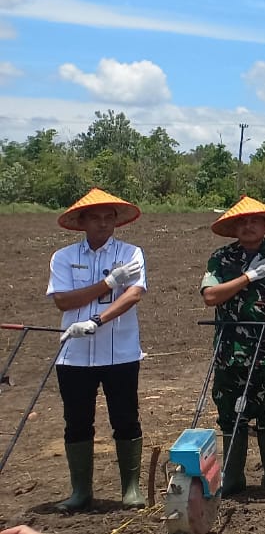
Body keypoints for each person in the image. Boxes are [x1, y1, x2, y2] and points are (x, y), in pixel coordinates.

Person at [45, 188, 148, 510]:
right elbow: (63, 299)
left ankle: (130, 488)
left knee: (126, 418)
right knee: (77, 420)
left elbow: (132, 296)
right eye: (95, 218)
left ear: (116, 221)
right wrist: (107, 284)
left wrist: (97, 319)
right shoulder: (64, 257)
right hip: (73, 353)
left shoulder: (131, 253)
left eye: (108, 218)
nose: (103, 224)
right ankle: (80, 491)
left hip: (120, 351)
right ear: (82, 221)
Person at [200, 196, 265, 497]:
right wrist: (248, 277)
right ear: (234, 227)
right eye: (242, 222)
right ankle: (233, 476)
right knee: (230, 412)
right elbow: (210, 296)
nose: (248, 226)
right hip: (230, 350)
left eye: (255, 221)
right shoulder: (221, 259)